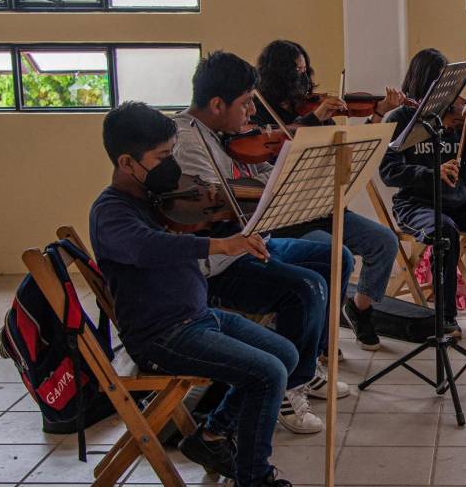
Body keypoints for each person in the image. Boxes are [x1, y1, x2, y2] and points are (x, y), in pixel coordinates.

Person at [89, 101, 294, 486]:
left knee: (285, 353)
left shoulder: (158, 199)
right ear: (127, 163)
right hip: (162, 334)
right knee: (267, 373)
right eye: (163, 156)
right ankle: (255, 477)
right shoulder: (111, 212)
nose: (172, 165)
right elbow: (148, 247)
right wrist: (220, 245)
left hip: (198, 316)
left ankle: (211, 437)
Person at [172, 51, 355, 435]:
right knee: (307, 287)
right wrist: (277, 188)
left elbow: (262, 170)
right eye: (245, 103)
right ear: (217, 104)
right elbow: (231, 197)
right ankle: (290, 386)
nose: (253, 111)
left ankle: (308, 368)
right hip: (219, 262)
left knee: (336, 258)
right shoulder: (187, 142)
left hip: (251, 243)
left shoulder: (231, 135)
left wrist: (303, 165)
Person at [254, 38, 406, 351]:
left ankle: (360, 308)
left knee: (384, 242)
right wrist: (315, 118)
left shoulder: (307, 106)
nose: (303, 76)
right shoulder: (257, 113)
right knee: (336, 257)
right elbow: (278, 152)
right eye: (294, 70)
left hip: (324, 207)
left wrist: (379, 115)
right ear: (275, 73)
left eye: (304, 69)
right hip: (288, 219)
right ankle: (320, 339)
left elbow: (346, 148)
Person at [379, 48, 466, 333]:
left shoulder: (457, 121)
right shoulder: (400, 118)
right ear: (424, 82)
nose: (453, 94)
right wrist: (433, 173)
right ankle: (445, 318)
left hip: (459, 201)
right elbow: (388, 172)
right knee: (446, 231)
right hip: (415, 204)